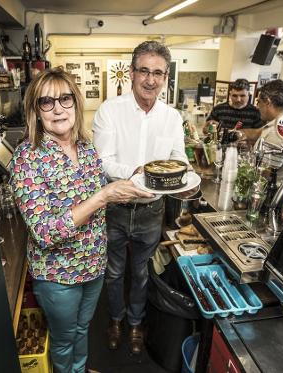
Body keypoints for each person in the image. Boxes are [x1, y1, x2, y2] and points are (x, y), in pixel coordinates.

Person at [9, 68, 153, 373]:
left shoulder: (87, 149)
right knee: (63, 339)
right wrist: (104, 196)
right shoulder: (27, 158)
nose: (58, 108)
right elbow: (44, 232)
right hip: (58, 275)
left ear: (76, 103)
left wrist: (132, 176)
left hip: (93, 265)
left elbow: (96, 190)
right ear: (36, 111)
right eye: (46, 102)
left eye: (65, 99)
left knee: (82, 330)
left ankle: (80, 368)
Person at [92, 41, 188, 355]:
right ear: (132, 73)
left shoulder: (172, 118)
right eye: (144, 71)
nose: (150, 79)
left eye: (157, 73)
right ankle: (116, 319)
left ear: (165, 78)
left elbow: (180, 159)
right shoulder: (110, 110)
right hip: (116, 208)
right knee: (115, 271)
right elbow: (101, 162)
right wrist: (137, 172)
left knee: (142, 271)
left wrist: (182, 177)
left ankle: (135, 322)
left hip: (151, 210)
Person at [205, 78, 263, 145]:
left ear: (248, 95)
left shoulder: (256, 112)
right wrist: (212, 128)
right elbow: (205, 130)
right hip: (220, 148)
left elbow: (260, 136)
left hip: (243, 151)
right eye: (235, 96)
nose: (238, 99)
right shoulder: (219, 109)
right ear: (230, 95)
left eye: (242, 96)